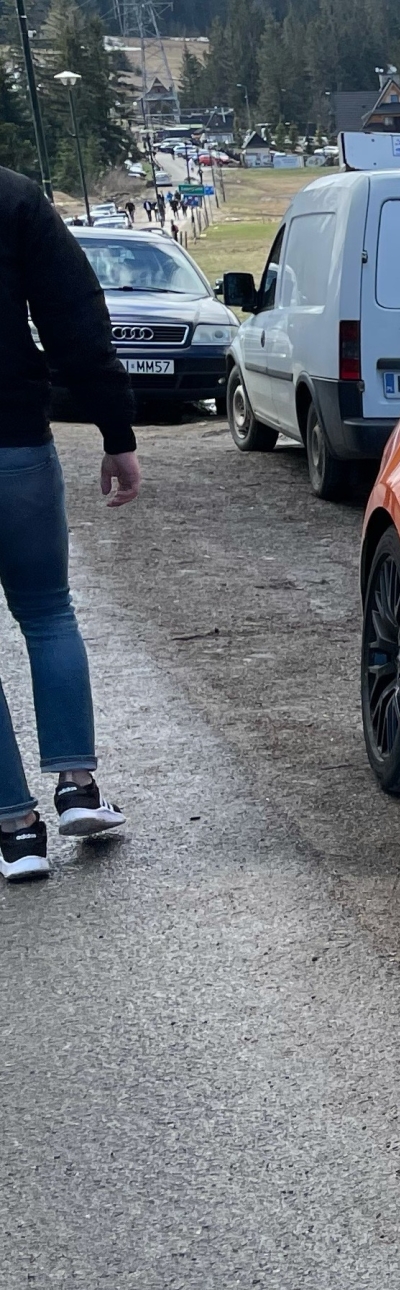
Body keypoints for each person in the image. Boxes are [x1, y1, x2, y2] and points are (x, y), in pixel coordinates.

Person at [0, 166, 140, 882]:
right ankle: (77, 788)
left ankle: (16, 829)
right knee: (49, 613)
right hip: (14, 439)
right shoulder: (15, 197)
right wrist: (116, 434)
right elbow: (76, 319)